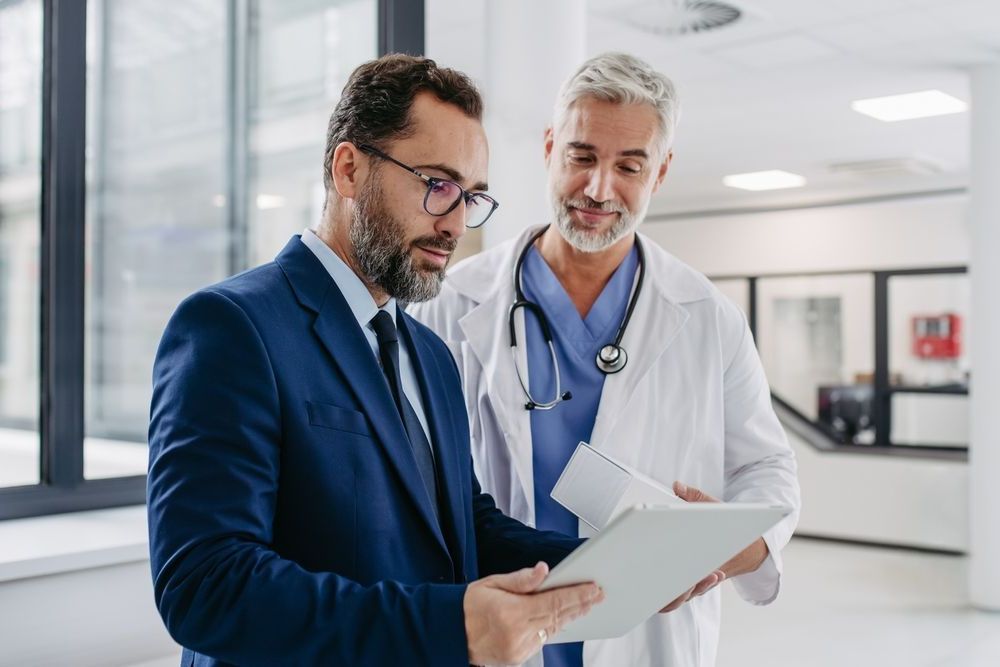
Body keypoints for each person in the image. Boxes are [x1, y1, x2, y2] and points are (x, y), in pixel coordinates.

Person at [146, 54, 606, 667]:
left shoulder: (434, 355)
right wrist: (446, 625)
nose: (455, 224)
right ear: (348, 168)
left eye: (472, 198)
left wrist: (608, 564)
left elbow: (465, 524)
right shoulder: (232, 327)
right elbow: (206, 586)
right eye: (437, 186)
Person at [409, 52, 801, 667]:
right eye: (582, 157)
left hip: (647, 632)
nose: (599, 189)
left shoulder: (706, 316)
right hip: (497, 620)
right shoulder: (453, 303)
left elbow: (767, 468)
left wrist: (732, 545)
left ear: (661, 172)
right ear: (549, 147)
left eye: (629, 166)